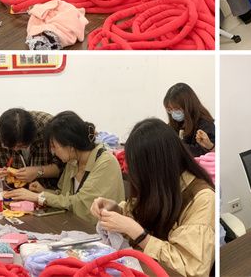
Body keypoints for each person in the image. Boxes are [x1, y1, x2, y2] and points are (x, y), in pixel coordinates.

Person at [90, 118, 215, 277]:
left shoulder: (202, 198)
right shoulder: (159, 185)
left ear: (155, 168)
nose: (133, 176)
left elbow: (192, 269)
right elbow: (139, 213)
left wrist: (139, 234)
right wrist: (116, 210)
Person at [5, 111, 124, 225]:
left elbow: (80, 203)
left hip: (99, 230)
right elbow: (64, 196)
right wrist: (43, 191)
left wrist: (39, 197)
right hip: (76, 225)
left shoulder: (105, 163)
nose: (52, 152)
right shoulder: (73, 161)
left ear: (70, 145)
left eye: (54, 146)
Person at [0, 108, 61, 188]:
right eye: (10, 147)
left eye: (21, 146)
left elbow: (64, 167)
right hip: (7, 192)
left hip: (48, 191)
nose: (16, 149)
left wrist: (38, 172)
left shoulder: (50, 128)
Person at [164, 82, 215, 157]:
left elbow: (203, 151)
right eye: (169, 109)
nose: (173, 113)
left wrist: (176, 147)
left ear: (188, 106)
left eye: (177, 109)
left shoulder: (205, 124)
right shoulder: (175, 123)